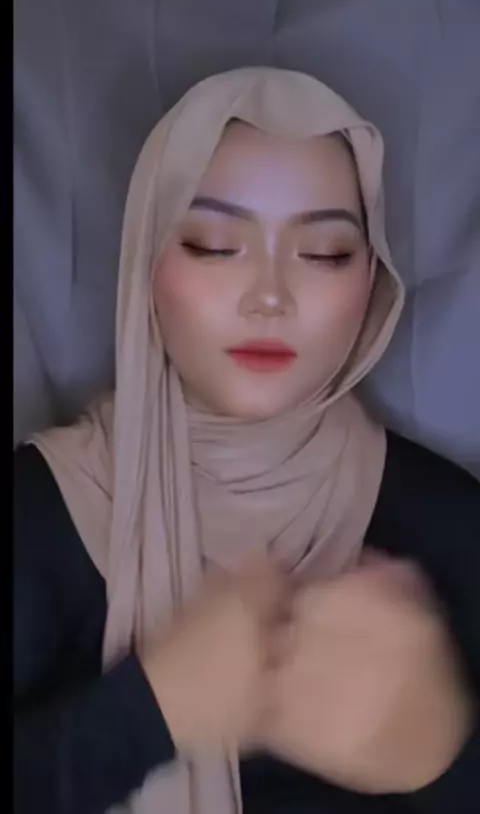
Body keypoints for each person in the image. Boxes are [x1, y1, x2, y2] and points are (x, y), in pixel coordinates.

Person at [14, 67, 480, 814]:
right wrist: (151, 712)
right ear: (144, 266)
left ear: (374, 284)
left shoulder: (451, 521)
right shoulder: (38, 512)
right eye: (212, 244)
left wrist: (440, 755)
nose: (269, 295)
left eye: (324, 252)